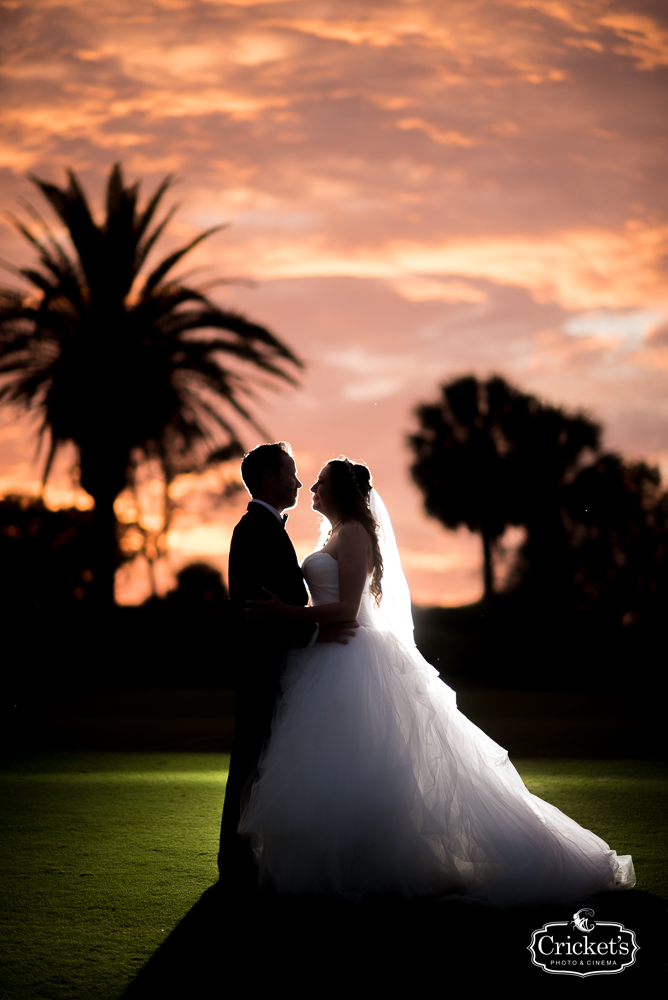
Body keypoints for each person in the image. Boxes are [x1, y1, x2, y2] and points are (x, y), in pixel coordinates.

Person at [239, 456, 636, 906]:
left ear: (342, 491)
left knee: (361, 764)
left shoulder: (352, 534)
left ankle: (536, 857)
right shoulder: (333, 535)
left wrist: (287, 613)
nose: (312, 485)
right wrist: (305, 623)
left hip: (351, 658)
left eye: (321, 481)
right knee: (333, 765)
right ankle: (349, 861)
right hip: (323, 655)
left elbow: (348, 610)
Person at [218, 443, 358, 890]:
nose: (300, 483)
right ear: (267, 478)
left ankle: (244, 856)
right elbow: (262, 610)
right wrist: (317, 633)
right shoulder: (255, 530)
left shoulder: (268, 529)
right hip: (265, 667)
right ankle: (235, 860)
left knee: (262, 762)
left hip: (285, 667)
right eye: (292, 474)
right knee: (250, 763)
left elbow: (285, 606)